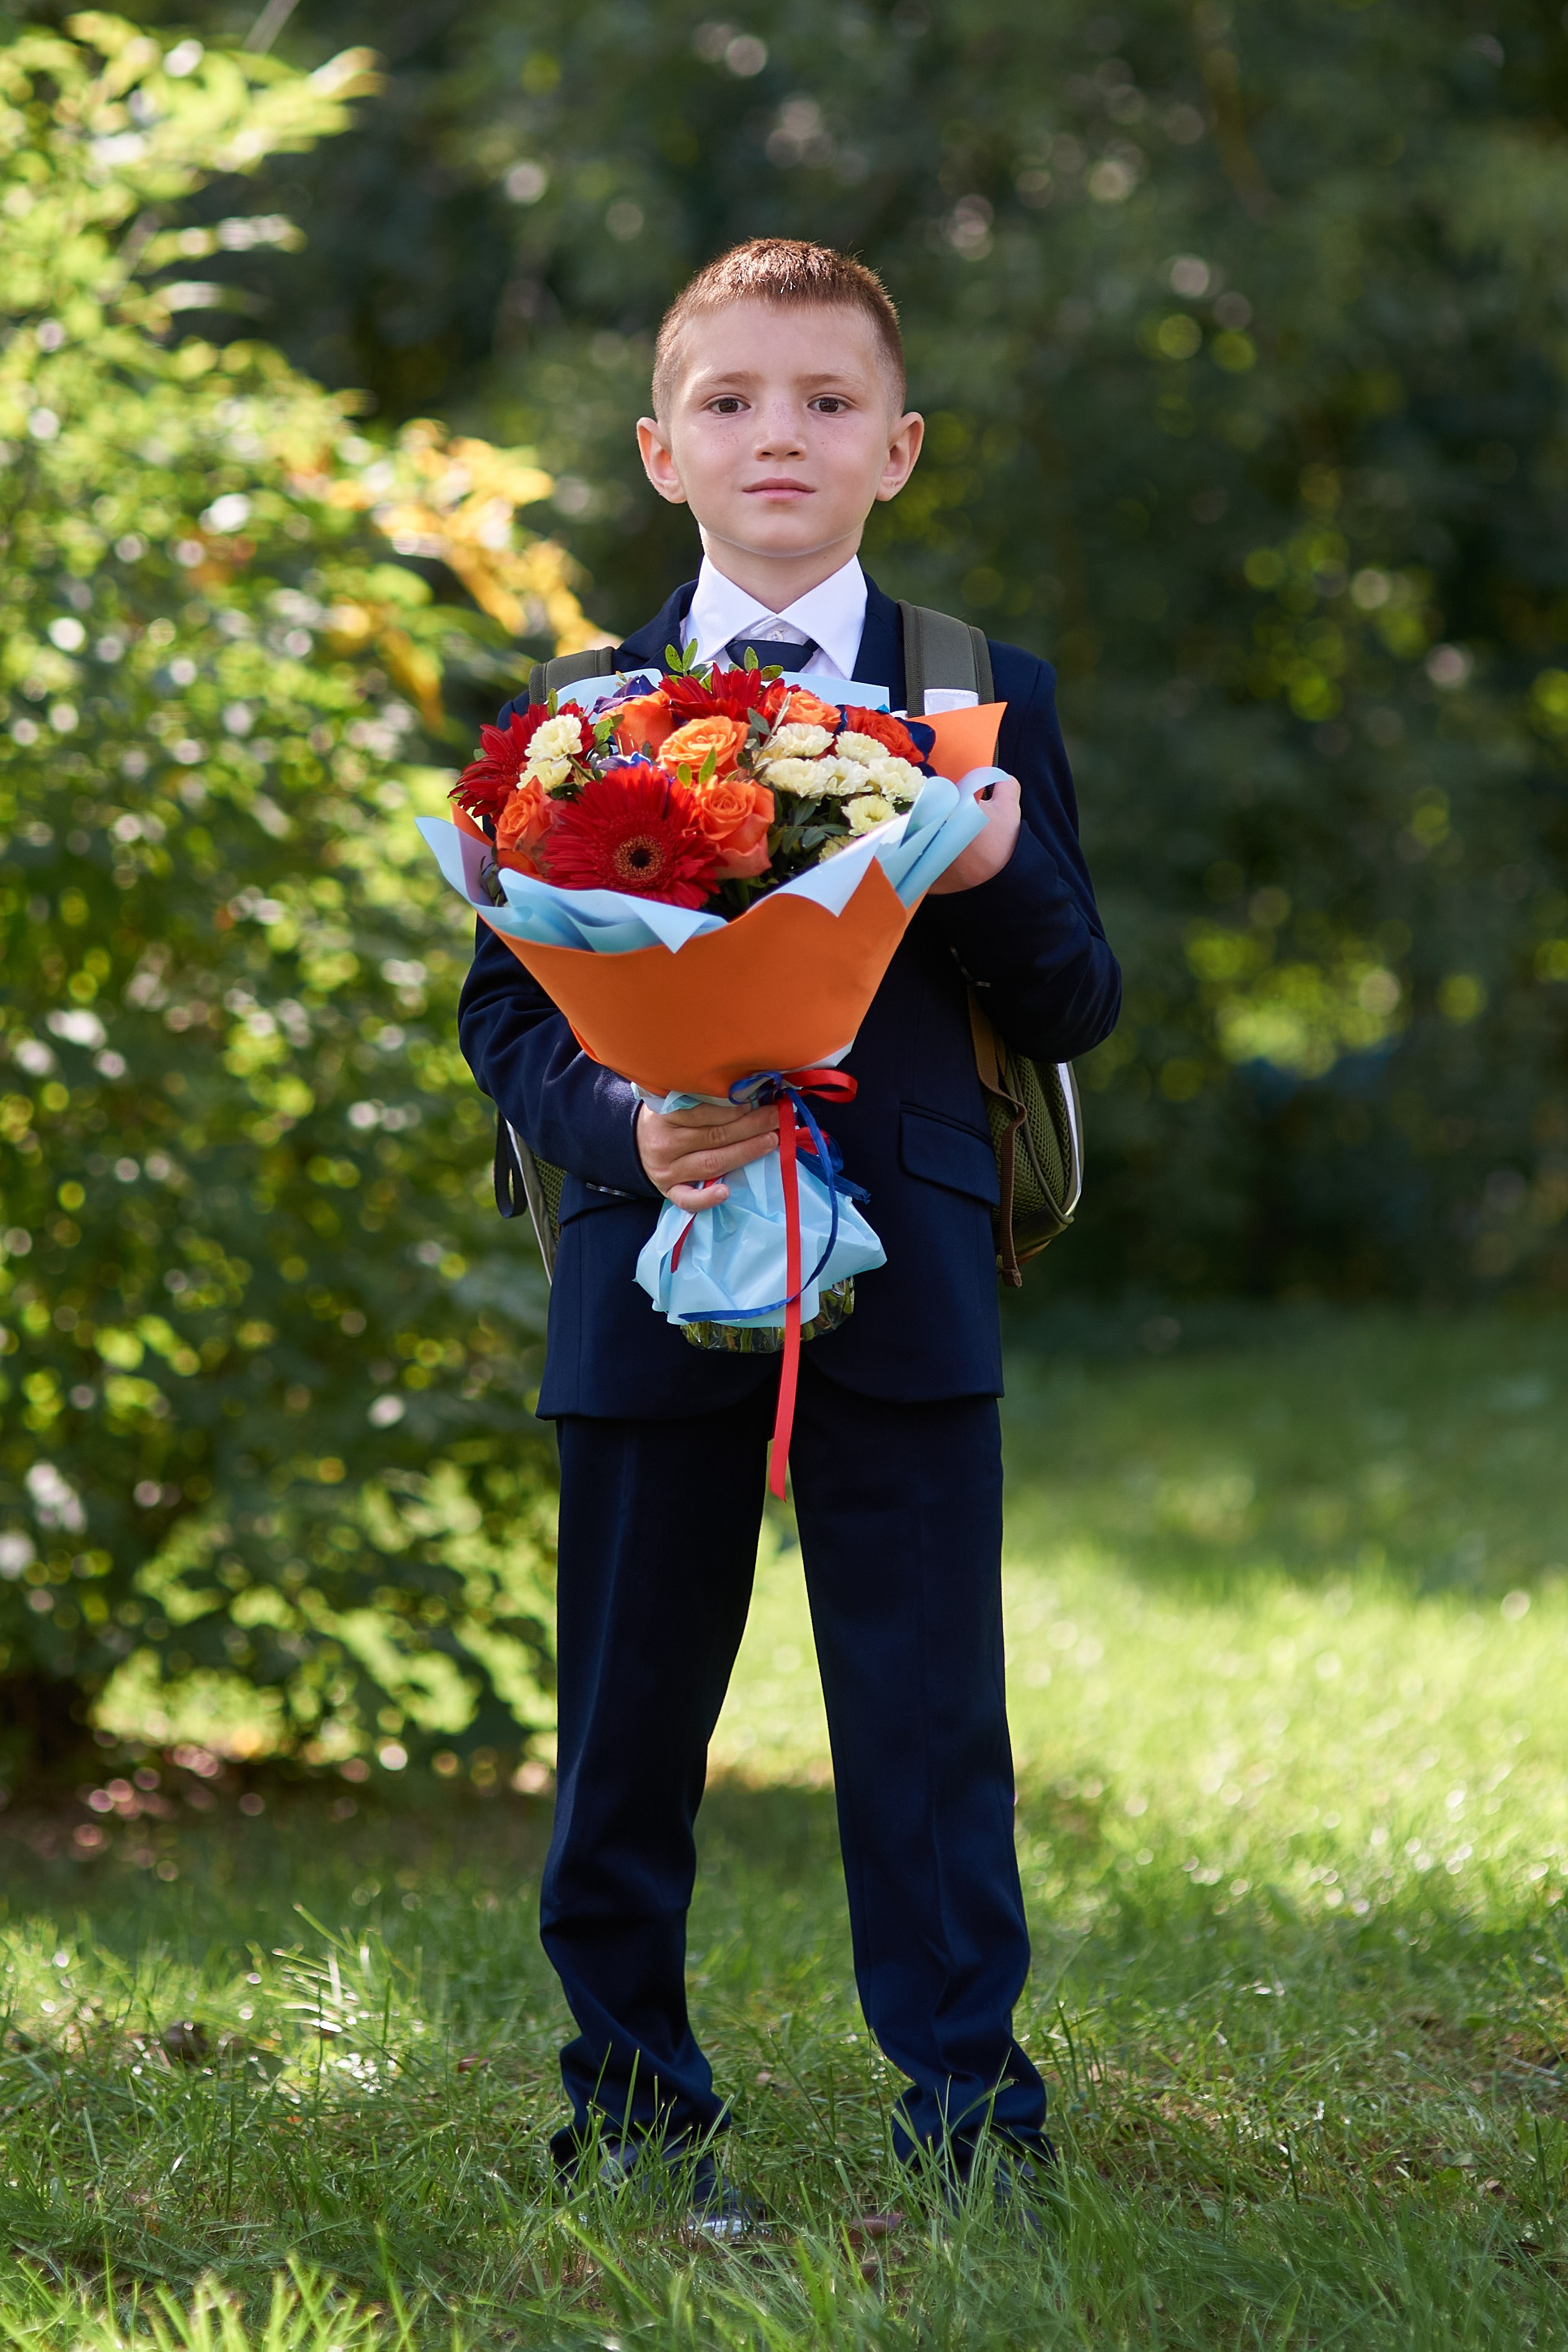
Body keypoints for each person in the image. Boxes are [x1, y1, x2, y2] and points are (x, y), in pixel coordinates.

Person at [457, 239, 1120, 2227]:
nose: (781, 437)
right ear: (663, 449)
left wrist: (993, 864)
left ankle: (967, 2116)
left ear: (897, 448)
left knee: (925, 1718)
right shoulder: (574, 711)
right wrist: (622, 1123)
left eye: (828, 404)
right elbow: (504, 1012)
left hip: (904, 1258)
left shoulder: (979, 691)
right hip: (642, 1265)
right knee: (629, 1717)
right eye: (734, 403)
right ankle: (635, 2109)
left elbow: (1075, 997)